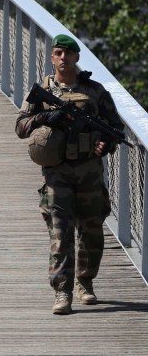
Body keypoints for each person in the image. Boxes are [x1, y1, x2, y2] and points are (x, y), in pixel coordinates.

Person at [15, 34, 124, 315]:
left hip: (89, 171)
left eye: (69, 53)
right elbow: (20, 127)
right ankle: (62, 292)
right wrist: (44, 117)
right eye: (58, 53)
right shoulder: (40, 90)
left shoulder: (96, 91)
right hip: (57, 174)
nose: (63, 58)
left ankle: (85, 283)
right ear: (52, 58)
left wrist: (106, 143)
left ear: (77, 57)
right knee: (60, 234)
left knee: (92, 231)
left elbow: (115, 127)